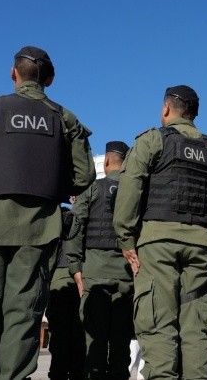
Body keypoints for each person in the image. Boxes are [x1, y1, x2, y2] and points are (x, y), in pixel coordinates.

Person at [0, 46, 96, 379]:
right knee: (23, 315)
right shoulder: (65, 119)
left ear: (14, 73)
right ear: (49, 79)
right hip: (38, 229)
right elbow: (84, 178)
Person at [113, 85, 207, 379]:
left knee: (158, 323)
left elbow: (130, 189)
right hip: (202, 246)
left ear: (166, 109)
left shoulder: (152, 140)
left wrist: (126, 238)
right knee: (196, 327)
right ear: (194, 114)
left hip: (158, 243)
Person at [67, 141, 135, 379]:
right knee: (121, 346)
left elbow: (75, 229)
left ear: (106, 162)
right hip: (126, 276)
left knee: (94, 345)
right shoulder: (134, 190)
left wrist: (75, 268)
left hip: (94, 273)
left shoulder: (92, 188)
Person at [47, 205, 86, 380]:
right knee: (80, 334)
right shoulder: (82, 215)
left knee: (60, 335)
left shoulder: (56, 215)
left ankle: (59, 373)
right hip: (82, 275)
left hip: (59, 276)